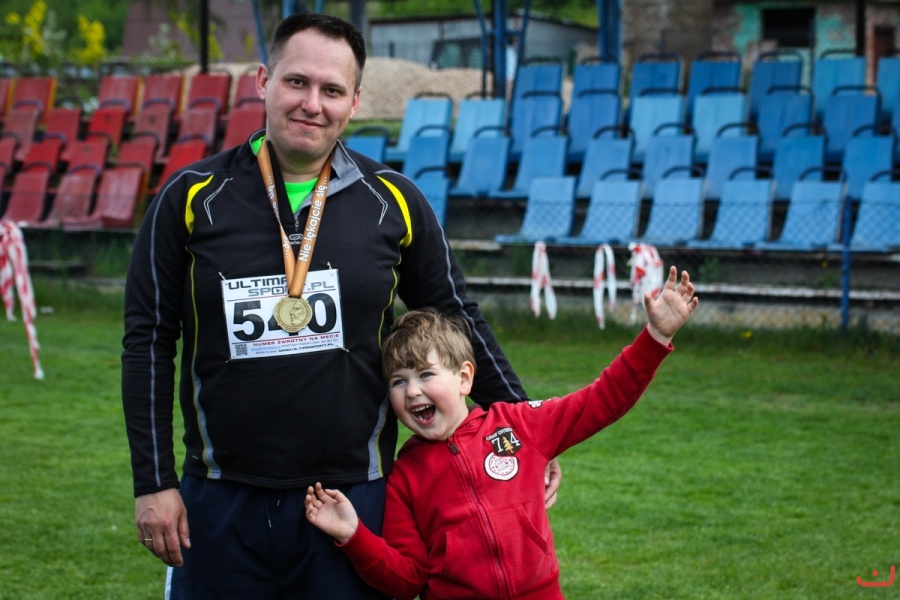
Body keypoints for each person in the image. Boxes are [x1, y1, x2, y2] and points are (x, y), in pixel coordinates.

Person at [121, 12, 560, 599]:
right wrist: (152, 481)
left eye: (331, 90)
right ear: (263, 82)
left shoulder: (393, 200)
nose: (312, 104)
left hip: (354, 502)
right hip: (220, 497)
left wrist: (522, 425)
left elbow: (457, 316)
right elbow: (147, 342)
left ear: (353, 102)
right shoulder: (190, 197)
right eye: (296, 82)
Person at [304, 266, 699, 600]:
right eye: (398, 381)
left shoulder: (519, 425)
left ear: (464, 378)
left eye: (425, 375)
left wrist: (655, 338)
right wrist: (354, 535)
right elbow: (406, 580)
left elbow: (603, 399)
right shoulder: (405, 477)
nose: (412, 391)